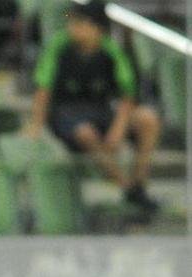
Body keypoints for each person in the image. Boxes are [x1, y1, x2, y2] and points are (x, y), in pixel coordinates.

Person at [26, 0, 160, 214]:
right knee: (85, 132)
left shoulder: (111, 51)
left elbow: (128, 95)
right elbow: (43, 90)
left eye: (81, 23)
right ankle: (125, 186)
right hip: (66, 113)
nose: (73, 27)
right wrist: (35, 125)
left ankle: (139, 182)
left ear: (97, 28)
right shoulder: (58, 47)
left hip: (101, 109)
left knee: (147, 119)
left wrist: (118, 128)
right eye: (72, 22)